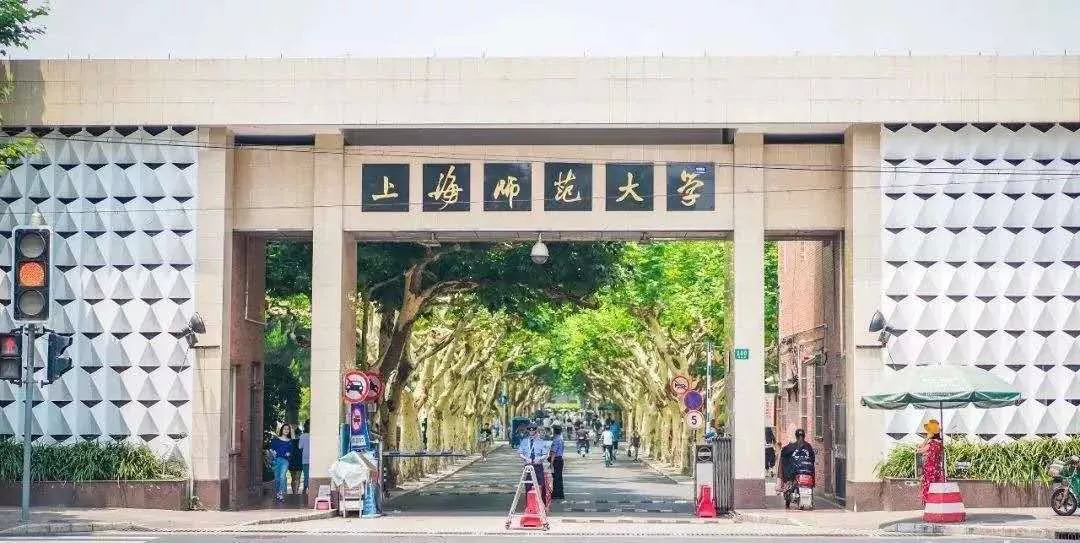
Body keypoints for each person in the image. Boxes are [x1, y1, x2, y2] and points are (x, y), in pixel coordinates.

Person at [778, 429, 815, 509]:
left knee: (789, 482)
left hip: (795, 472)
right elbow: (813, 459)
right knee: (810, 483)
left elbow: (783, 453)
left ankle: (788, 501)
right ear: (804, 436)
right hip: (808, 472)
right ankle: (810, 501)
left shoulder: (791, 446)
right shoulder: (808, 446)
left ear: (796, 436)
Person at [517, 423, 551, 504]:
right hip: (528, 467)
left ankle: (542, 504)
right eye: (530, 431)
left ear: (536, 431)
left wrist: (539, 459)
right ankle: (529, 504)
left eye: (533, 431)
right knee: (528, 485)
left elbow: (545, 454)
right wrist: (525, 458)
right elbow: (520, 453)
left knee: (541, 485)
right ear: (528, 431)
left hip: (537, 466)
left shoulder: (541, 441)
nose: (531, 432)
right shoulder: (524, 441)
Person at [918, 419, 945, 503]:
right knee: (936, 485)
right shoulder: (940, 444)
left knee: (929, 486)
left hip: (929, 469)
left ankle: (929, 501)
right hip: (937, 468)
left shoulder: (931, 444)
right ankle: (935, 501)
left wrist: (926, 439)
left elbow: (919, 450)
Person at [269, 423, 294, 503]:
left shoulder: (290, 441)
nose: (286, 430)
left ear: (289, 431)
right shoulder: (276, 440)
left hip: (285, 461)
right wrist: (274, 454)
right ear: (282, 430)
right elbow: (271, 449)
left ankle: (281, 493)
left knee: (282, 477)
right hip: (276, 460)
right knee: (277, 478)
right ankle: (277, 493)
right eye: (285, 429)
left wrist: (289, 454)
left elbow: (290, 452)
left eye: (288, 429)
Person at [549, 426, 565, 500]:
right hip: (560, 459)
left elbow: (553, 452)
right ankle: (560, 494)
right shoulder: (561, 440)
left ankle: (556, 494)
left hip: (556, 460)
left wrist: (551, 463)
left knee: (555, 478)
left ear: (554, 431)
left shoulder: (555, 440)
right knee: (559, 477)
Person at [288, 424, 304, 494]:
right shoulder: (301, 442)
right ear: (300, 434)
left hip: (291, 462)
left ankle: (294, 491)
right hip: (299, 462)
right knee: (297, 478)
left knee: (293, 478)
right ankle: (296, 492)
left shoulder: (291, 442)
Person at [298, 420, 310, 493]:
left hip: (305, 457)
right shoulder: (315, 435)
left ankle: (305, 489)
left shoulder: (302, 436)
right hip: (314, 457)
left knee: (306, 475)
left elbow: (300, 447)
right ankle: (307, 489)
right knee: (310, 475)